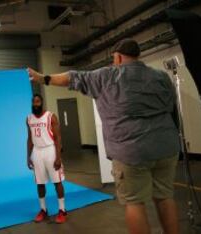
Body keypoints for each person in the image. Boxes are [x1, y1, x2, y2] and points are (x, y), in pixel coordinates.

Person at [28, 39, 180, 234]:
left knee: (135, 203)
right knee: (165, 197)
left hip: (131, 152)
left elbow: (73, 78)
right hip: (166, 148)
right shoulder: (160, 76)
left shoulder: (108, 76)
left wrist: (42, 78)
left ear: (117, 57)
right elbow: (170, 106)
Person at [27, 94, 67, 224]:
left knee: (57, 181)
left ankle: (62, 210)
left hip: (50, 150)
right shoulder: (29, 118)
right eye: (33, 102)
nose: (35, 104)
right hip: (37, 152)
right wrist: (28, 156)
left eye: (37, 102)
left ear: (42, 103)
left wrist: (58, 157)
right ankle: (43, 210)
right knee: (40, 183)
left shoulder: (51, 116)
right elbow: (29, 139)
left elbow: (58, 138)